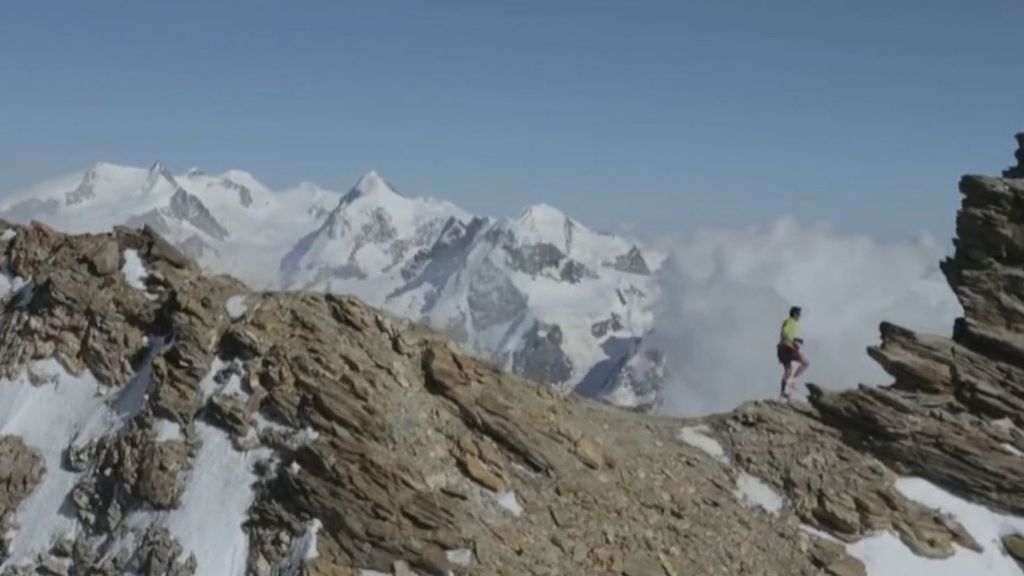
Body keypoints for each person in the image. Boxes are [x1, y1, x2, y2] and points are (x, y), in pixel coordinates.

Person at [777, 306, 809, 400]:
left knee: (788, 370)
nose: (800, 316)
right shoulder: (790, 321)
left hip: (783, 348)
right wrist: (793, 340)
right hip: (788, 347)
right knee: (804, 363)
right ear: (794, 313)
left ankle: (785, 391)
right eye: (798, 314)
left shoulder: (789, 322)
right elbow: (786, 332)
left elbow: (785, 333)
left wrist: (795, 339)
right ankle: (788, 387)